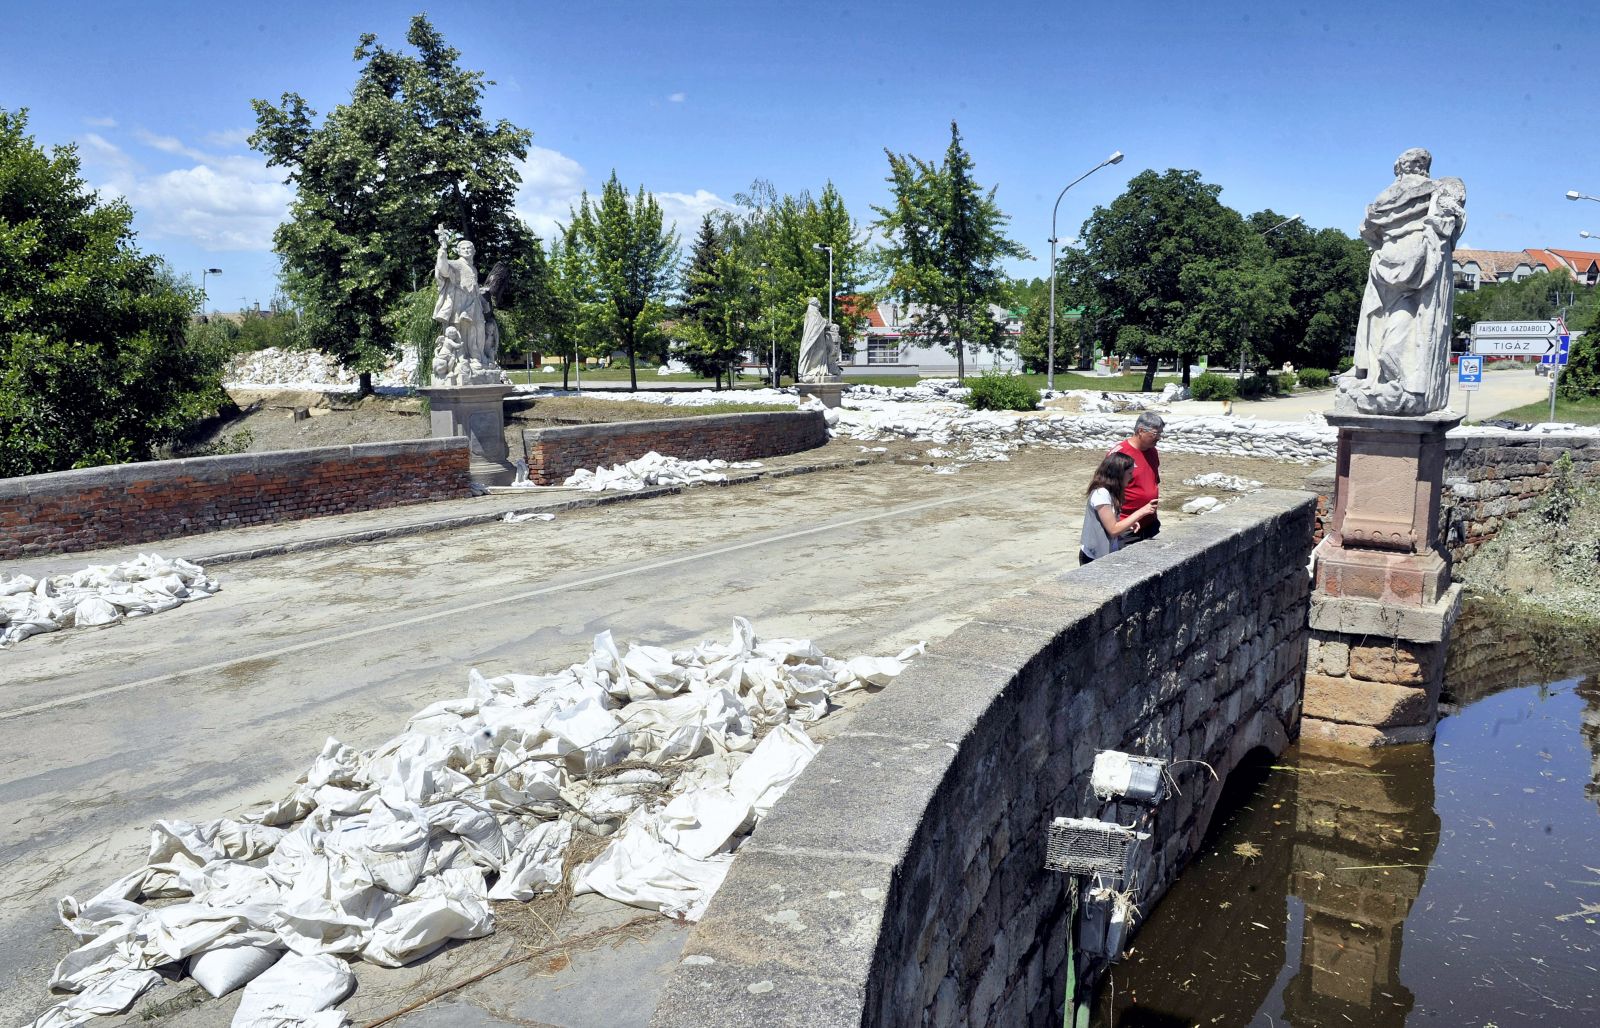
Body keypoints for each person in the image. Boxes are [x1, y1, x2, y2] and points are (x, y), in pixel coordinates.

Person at [1080, 452, 1159, 564]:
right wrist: (1142, 512)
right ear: (1119, 474)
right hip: (1093, 556)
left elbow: (1109, 522)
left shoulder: (1111, 492)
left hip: (1106, 553)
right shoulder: (1101, 494)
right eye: (1130, 473)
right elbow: (1113, 530)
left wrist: (1127, 523)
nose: (1132, 477)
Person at [1112, 412, 1163, 542]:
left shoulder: (1152, 452)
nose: (1159, 438)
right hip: (1128, 526)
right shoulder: (1120, 454)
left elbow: (1153, 481)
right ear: (1140, 431)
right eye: (1155, 434)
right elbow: (1108, 490)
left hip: (1150, 523)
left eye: (1160, 434)